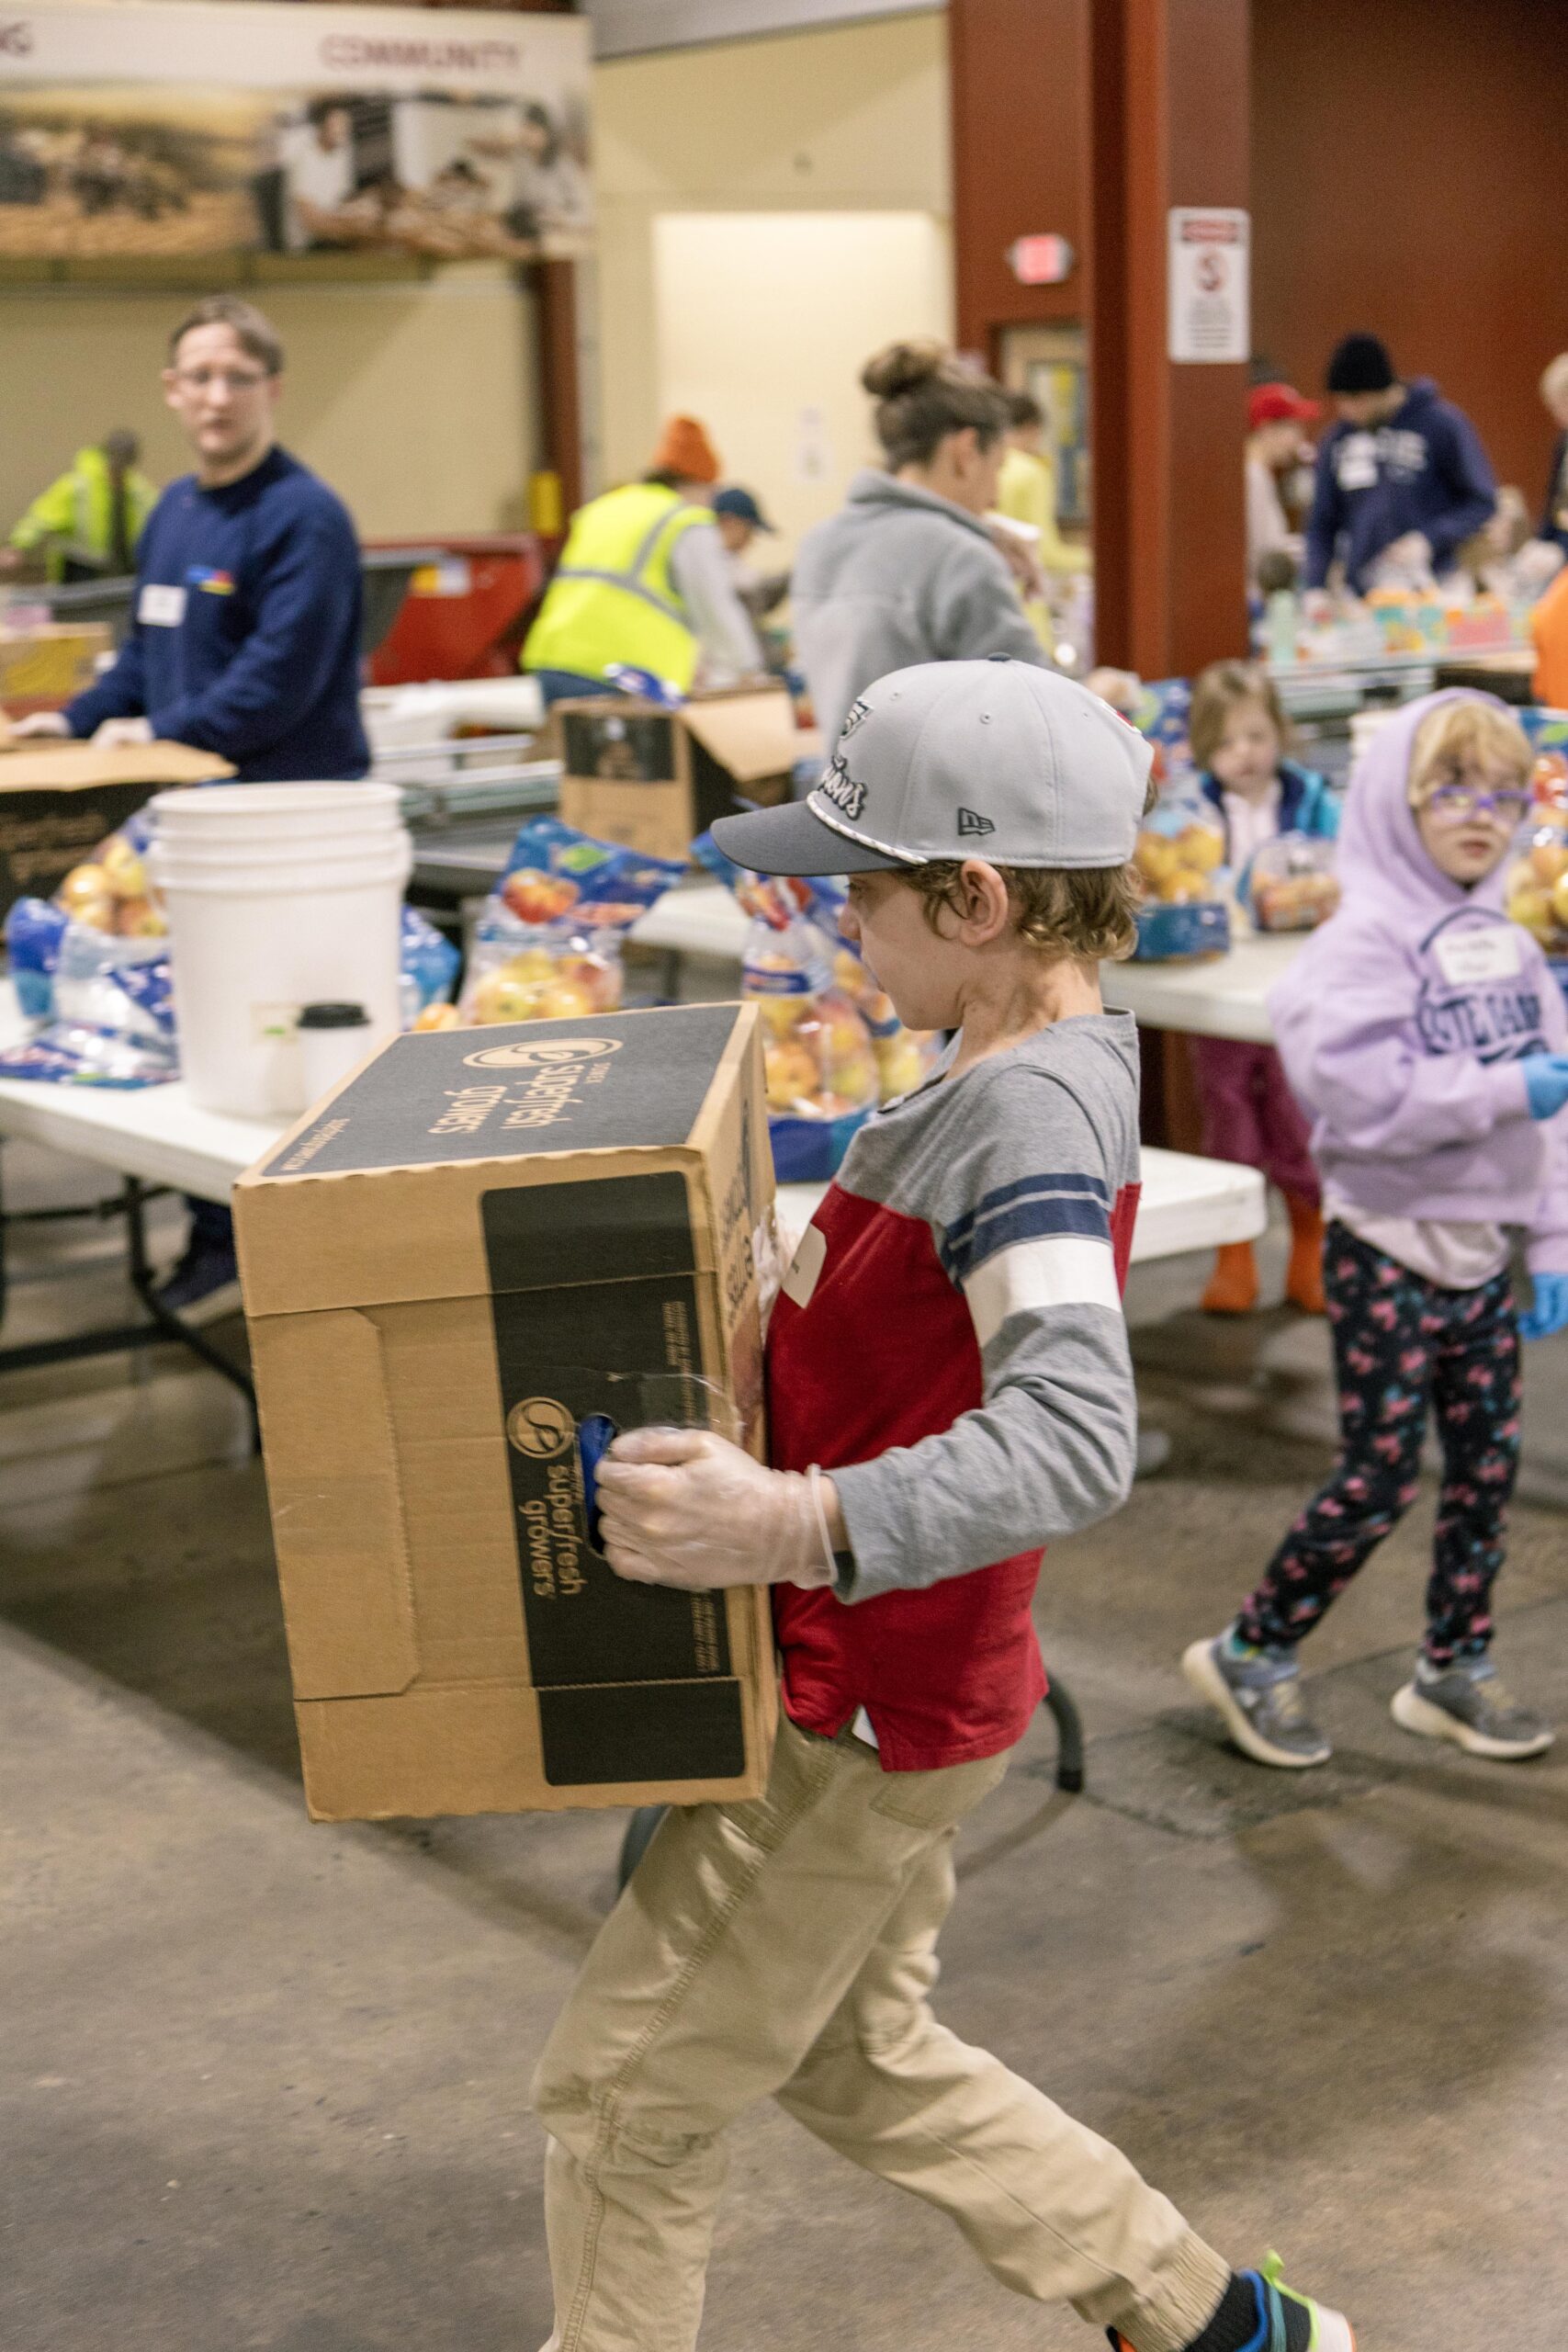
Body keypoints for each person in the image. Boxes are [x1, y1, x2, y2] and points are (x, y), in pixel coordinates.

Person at [531, 657, 1355, 2352]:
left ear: (974, 898)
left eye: (861, 894)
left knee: (624, 2103)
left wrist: (784, 1522)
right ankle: (1213, 2325)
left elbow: (1068, 1435)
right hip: (903, 1692)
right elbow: (916, 1342)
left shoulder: (1028, 1121)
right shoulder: (993, 1072)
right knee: (856, 2053)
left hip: (860, 1707)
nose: (842, 929)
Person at [1184, 691, 1568, 1771]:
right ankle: (1253, 1649)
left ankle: (1454, 1665)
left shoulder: (1510, 944)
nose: (1479, 815)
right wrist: (1502, 1090)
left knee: (1487, 1473)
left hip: (1478, 1259)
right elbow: (1358, 1097)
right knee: (1382, 1472)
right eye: (1450, 789)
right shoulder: (1360, 945)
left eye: (1502, 793)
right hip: (1389, 1249)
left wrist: (1551, 1241)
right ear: (1397, 801)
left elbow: (1556, 1115)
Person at [14, 293, 369, 1322]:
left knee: (265, 1049)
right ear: (171, 392)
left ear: (271, 390)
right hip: (192, 827)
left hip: (287, 830)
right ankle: (214, 1243)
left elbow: (277, 682)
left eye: (236, 377)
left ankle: (265, 1255)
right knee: (190, 1036)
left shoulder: (304, 517)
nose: (216, 396)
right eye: (197, 377)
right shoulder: (174, 511)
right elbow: (144, 654)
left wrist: (164, 741)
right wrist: (74, 722)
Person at [790, 343, 1047, 749]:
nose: (995, 495)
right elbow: (1041, 715)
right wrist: (1103, 693)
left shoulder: (819, 544)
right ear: (964, 452)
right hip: (941, 810)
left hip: (842, 801)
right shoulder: (960, 559)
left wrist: (982, 533)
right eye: (996, 468)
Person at [1186, 662, 1337, 1317]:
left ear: (1278, 730)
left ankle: (1309, 1246)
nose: (1241, 755)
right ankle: (1234, 1253)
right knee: (1226, 1111)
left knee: (1294, 1111)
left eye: (1252, 736)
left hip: (1299, 984)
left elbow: (1342, 865)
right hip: (1215, 982)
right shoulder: (1191, 811)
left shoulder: (1311, 799)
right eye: (1223, 744)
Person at [522, 416, 763, 704]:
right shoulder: (685, 521)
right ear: (699, 484)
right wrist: (749, 671)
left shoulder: (604, 508)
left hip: (553, 663)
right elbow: (715, 608)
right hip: (623, 676)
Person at [1303, 334, 1496, 595]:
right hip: (1366, 593)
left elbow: (1482, 501)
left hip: (1437, 584)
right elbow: (1321, 522)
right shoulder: (1338, 440)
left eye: (1355, 400)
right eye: (1341, 401)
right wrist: (1315, 585)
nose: (1346, 411)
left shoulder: (1441, 425)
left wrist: (1430, 539)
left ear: (1380, 390)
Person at [3, 430, 157, 582]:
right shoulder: (79, 486)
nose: (118, 473)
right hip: (80, 566)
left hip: (123, 568)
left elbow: (158, 514)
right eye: (115, 466)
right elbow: (41, 517)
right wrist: (19, 546)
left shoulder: (136, 488)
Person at [1245, 382, 1318, 588]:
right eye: (1294, 428)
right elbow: (1262, 554)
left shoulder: (1261, 474)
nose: (1300, 439)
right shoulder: (1251, 477)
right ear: (1267, 428)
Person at [712, 483, 790, 621]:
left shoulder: (731, 563)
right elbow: (755, 594)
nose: (751, 541)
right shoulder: (711, 566)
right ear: (729, 522)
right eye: (749, 531)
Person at [1535, 351, 1568, 559]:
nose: (1556, 417)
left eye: (1559, 407)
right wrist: (1540, 544)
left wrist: (1561, 550)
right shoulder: (1563, 444)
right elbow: (1554, 506)